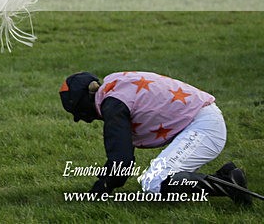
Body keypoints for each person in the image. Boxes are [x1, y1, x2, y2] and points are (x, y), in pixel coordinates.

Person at [59, 71, 251, 205]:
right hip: (201, 120)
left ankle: (229, 185)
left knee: (155, 181)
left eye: (79, 113)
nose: (83, 120)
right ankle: (225, 176)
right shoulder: (114, 85)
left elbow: (122, 161)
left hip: (204, 127)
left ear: (83, 104)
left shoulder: (113, 105)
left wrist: (99, 190)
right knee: (157, 179)